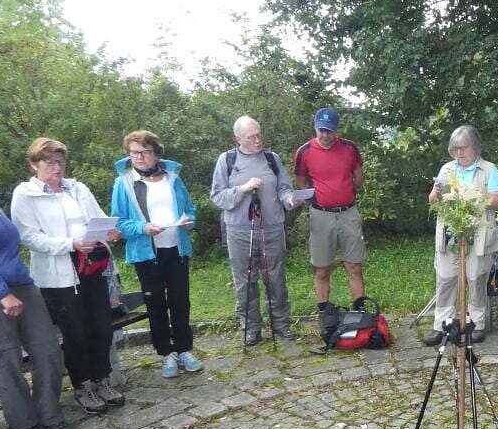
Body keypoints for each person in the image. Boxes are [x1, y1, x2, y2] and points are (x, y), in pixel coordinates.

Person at [11, 137, 125, 414]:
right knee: (76, 332)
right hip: (59, 275)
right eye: (49, 162)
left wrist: (109, 231)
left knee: (101, 326)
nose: (57, 167)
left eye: (60, 161)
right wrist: (70, 244)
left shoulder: (78, 188)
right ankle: (83, 385)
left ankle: (101, 379)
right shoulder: (25, 195)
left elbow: (98, 216)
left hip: (92, 265)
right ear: (34, 164)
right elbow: (29, 237)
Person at [0, 146, 75, 429]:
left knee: (47, 348)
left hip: (22, 283)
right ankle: (22, 425)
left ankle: (49, 415)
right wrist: (2, 293)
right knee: (6, 356)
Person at [110, 130, 203, 378]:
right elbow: (118, 222)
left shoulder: (173, 178)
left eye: (145, 152)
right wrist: (143, 228)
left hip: (177, 249)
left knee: (180, 301)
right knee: (156, 304)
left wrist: (188, 222)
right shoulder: (124, 183)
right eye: (134, 153)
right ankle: (166, 354)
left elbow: (190, 210)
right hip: (146, 254)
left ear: (156, 153)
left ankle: (184, 349)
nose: (139, 157)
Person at [210, 116, 299, 344]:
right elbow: (217, 197)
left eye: (259, 135)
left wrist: (289, 199)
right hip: (239, 231)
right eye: (251, 137)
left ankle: (281, 325)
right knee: (245, 280)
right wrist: (243, 189)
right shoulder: (227, 160)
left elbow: (284, 188)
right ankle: (251, 327)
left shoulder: (271, 158)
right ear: (238, 138)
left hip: (272, 229)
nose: (258, 140)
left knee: (276, 277)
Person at [424, 125, 498, 346]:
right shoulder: (447, 169)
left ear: (475, 147)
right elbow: (432, 200)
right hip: (450, 232)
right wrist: (436, 193)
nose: (458, 153)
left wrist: (474, 197)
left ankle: (475, 325)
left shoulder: (489, 169)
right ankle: (442, 325)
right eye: (455, 149)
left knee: (476, 278)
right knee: (446, 278)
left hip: (479, 233)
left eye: (463, 148)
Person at [293, 107, 367, 332]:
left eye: (330, 131)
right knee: (322, 268)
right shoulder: (304, 151)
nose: (325, 135)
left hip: (348, 213)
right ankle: (324, 314)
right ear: (315, 128)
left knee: (354, 265)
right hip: (321, 215)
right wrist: (316, 197)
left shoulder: (349, 148)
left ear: (336, 130)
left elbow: (358, 175)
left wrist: (345, 192)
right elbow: (300, 180)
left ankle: (360, 311)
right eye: (321, 130)